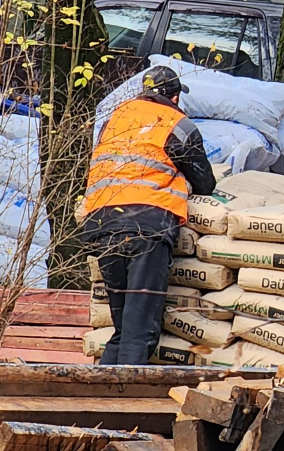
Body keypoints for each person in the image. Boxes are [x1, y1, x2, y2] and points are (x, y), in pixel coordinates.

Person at [81, 66, 216, 364]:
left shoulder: (114, 120)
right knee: (139, 332)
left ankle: (97, 399)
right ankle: (125, 405)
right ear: (176, 97)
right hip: (147, 228)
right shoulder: (176, 123)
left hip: (102, 224)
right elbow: (205, 182)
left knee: (122, 329)